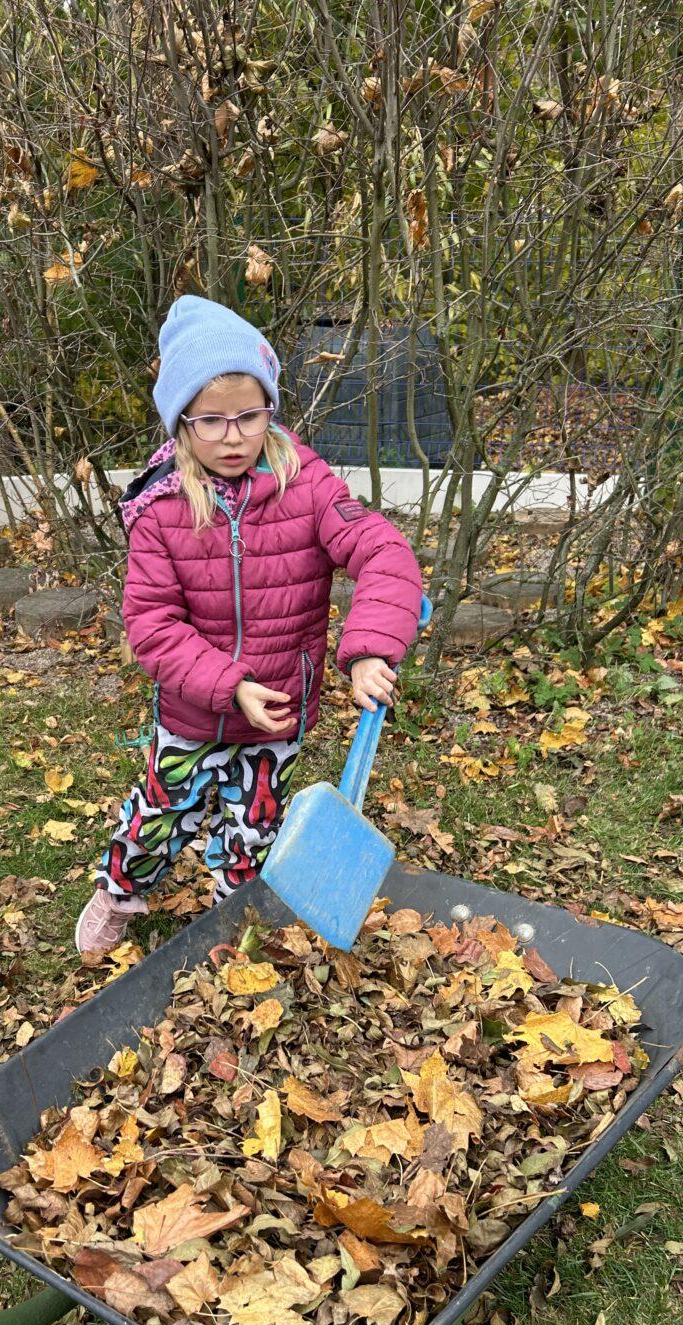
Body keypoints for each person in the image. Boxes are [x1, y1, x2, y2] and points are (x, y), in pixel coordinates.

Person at [75, 295, 423, 955]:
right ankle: (118, 892)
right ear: (181, 420)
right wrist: (229, 685)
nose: (233, 437)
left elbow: (384, 552)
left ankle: (227, 918)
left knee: (254, 831)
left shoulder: (307, 486)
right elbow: (151, 622)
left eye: (250, 415)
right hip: (192, 712)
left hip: (277, 716)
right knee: (158, 816)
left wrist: (368, 650)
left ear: (270, 408)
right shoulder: (161, 508)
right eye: (211, 420)